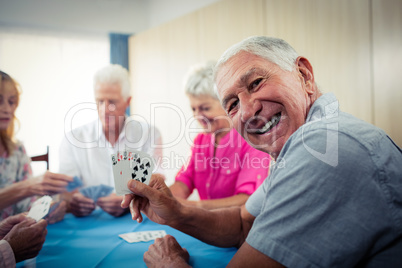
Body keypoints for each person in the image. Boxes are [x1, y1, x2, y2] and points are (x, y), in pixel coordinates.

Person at [121, 36, 402, 267]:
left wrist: (168, 264)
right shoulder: (299, 144)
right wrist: (176, 212)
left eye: (255, 83)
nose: (247, 111)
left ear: (304, 75)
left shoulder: (323, 150)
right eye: (232, 103)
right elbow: (245, 222)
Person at [59, 64, 163, 217]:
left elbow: (157, 183)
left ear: (128, 102)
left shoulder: (149, 134)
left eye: (112, 102)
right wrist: (72, 200)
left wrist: (130, 200)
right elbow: (64, 193)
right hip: (87, 223)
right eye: (100, 101)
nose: (104, 109)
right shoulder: (73, 139)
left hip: (135, 218)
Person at [169, 61, 270, 209]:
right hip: (204, 226)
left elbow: (247, 200)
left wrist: (193, 206)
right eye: (193, 109)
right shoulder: (200, 141)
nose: (197, 116)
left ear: (227, 102)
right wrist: (158, 196)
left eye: (205, 108)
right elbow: (184, 181)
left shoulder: (251, 140)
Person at [0, 70, 72, 223]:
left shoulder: (17, 150)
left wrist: (50, 208)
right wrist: (27, 187)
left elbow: (26, 205)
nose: (6, 108)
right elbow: (27, 189)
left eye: (11, 102)